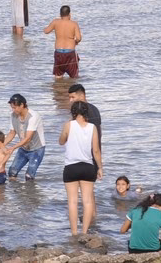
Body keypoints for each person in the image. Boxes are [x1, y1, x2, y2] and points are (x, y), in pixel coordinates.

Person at [60, 100, 103, 235]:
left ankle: (74, 233)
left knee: (72, 202)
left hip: (71, 167)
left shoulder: (69, 125)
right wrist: (100, 168)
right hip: (88, 167)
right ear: (86, 112)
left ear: (73, 112)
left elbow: (61, 141)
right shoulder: (92, 127)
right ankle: (84, 232)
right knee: (87, 201)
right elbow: (96, 150)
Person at [3, 94, 46, 181]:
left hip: (37, 149)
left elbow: (28, 138)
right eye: (12, 108)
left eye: (15, 107)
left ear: (22, 105)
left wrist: (13, 148)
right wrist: (2, 145)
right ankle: (14, 189)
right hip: (23, 148)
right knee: (12, 172)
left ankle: (30, 189)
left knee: (29, 176)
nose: (13, 110)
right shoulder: (13, 115)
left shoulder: (33, 116)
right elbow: (12, 133)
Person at [44, 5, 83, 78]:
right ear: (69, 14)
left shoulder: (55, 22)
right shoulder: (74, 24)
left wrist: (51, 26)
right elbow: (78, 38)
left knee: (58, 77)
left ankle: (59, 85)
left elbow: (46, 31)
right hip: (70, 53)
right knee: (74, 77)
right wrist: (76, 42)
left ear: (60, 14)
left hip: (59, 52)